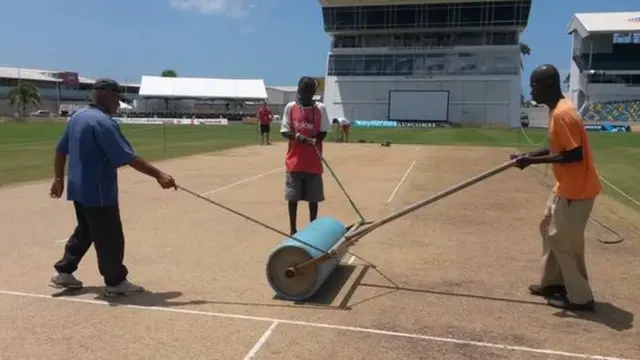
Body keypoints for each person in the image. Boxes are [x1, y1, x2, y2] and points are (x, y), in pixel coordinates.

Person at [49, 78, 177, 297]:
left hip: (78, 189)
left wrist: (58, 179)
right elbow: (128, 157)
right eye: (117, 98)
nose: (118, 104)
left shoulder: (77, 117)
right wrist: (159, 175)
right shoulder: (103, 123)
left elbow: (61, 150)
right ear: (106, 94)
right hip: (99, 191)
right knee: (110, 237)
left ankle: (64, 272)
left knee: (86, 230)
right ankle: (115, 281)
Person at [511, 64, 601, 311]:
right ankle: (553, 283)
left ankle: (581, 298)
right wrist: (527, 155)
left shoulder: (564, 114)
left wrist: (531, 162)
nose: (531, 91)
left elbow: (575, 155)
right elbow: (556, 150)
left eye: (534, 86)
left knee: (564, 242)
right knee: (546, 227)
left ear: (549, 85)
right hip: (566, 186)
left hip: (578, 190)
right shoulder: (555, 111)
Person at [280, 76, 331, 235]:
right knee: (292, 198)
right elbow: (284, 131)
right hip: (294, 162)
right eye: (302, 93)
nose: (303, 97)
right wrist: (298, 137)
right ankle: (293, 230)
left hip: (313, 163)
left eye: (307, 93)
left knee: (313, 199)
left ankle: (312, 229)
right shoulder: (291, 107)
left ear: (313, 93)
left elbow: (323, 131)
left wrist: (315, 141)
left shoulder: (320, 108)